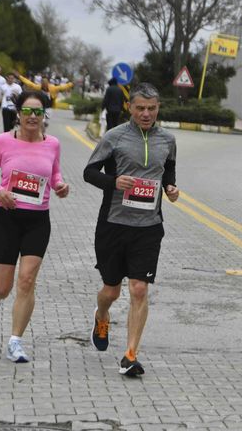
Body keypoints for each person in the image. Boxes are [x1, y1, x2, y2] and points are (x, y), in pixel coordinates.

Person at [83, 82, 179, 377]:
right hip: (113, 224)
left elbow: (168, 170)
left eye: (151, 108)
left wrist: (171, 188)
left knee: (139, 289)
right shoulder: (114, 137)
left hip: (148, 227)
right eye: (140, 108)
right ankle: (101, 315)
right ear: (129, 108)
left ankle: (130, 355)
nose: (146, 114)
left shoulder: (168, 139)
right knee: (111, 291)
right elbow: (89, 172)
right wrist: (114, 182)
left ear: (158, 108)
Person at [0, 90, 70, 362]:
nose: (32, 116)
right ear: (18, 114)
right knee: (3, 286)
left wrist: (60, 186)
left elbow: (54, 174)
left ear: (44, 115)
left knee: (27, 281)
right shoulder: (4, 141)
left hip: (38, 221)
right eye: (27, 111)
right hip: (7, 219)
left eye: (38, 112)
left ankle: (15, 342)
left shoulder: (52, 144)